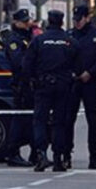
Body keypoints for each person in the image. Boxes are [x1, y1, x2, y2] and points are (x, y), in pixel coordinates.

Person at [23, 10, 76, 172]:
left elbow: (27, 65)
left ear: (48, 21)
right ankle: (58, 158)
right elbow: (78, 63)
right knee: (59, 122)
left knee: (40, 121)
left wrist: (31, 80)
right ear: (61, 22)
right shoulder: (69, 41)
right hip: (63, 87)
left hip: (43, 86)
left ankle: (41, 155)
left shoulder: (39, 41)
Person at [65, 5, 96, 170]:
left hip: (90, 83)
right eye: (75, 20)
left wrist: (90, 73)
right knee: (68, 119)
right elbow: (62, 57)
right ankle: (66, 155)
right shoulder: (69, 35)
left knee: (92, 121)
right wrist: (70, 73)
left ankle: (94, 156)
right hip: (73, 83)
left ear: (87, 18)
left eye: (80, 19)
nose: (77, 23)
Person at [4, 8, 36, 167]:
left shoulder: (27, 37)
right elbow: (18, 63)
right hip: (20, 85)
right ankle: (13, 153)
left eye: (27, 21)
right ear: (16, 22)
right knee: (19, 120)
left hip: (29, 84)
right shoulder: (14, 40)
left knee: (31, 120)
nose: (27, 24)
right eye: (24, 22)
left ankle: (35, 153)